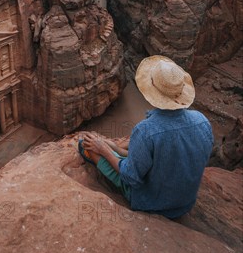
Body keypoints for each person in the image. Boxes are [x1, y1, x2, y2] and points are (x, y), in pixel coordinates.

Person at [78, 55, 214, 219]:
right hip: (184, 203)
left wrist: (104, 149)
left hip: (152, 203)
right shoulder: (202, 121)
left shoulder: (146, 131)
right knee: (116, 151)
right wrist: (115, 148)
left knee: (85, 145)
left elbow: (130, 177)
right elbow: (167, 159)